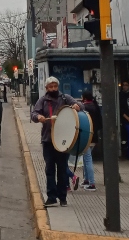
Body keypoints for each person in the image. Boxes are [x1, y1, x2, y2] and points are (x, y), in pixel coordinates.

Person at [31, 76, 82, 207]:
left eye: (55, 86)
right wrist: (39, 117)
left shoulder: (65, 98)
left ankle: (62, 197)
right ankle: (51, 196)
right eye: (51, 87)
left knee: (62, 169)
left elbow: (80, 105)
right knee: (49, 169)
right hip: (48, 140)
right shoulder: (42, 100)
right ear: (47, 88)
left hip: (63, 140)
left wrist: (77, 106)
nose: (53, 89)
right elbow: (34, 114)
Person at [80, 90, 101, 191]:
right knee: (86, 158)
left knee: (87, 159)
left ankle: (92, 183)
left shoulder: (84, 108)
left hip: (86, 136)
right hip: (94, 136)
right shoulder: (95, 106)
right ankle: (86, 180)